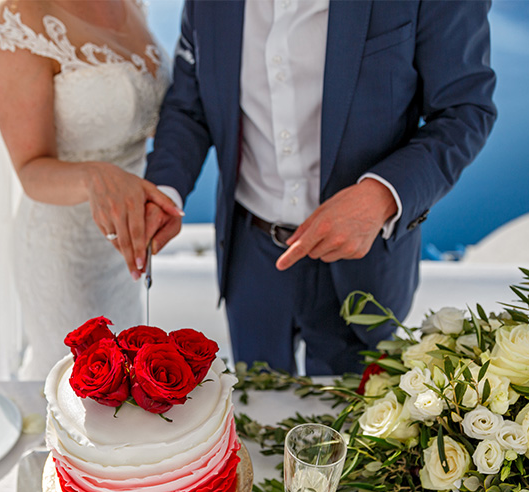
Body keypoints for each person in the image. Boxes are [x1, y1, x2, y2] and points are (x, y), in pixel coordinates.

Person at [118, 0, 497, 376]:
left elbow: (464, 110)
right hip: (250, 258)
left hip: (365, 264)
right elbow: (190, 105)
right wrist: (165, 190)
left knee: (355, 427)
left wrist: (380, 196)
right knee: (256, 413)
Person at [0, 0, 178, 381]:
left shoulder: (131, 5)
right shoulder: (20, 21)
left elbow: (146, 114)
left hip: (122, 246)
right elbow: (30, 169)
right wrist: (94, 176)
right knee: (78, 390)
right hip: (63, 254)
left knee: (128, 383)